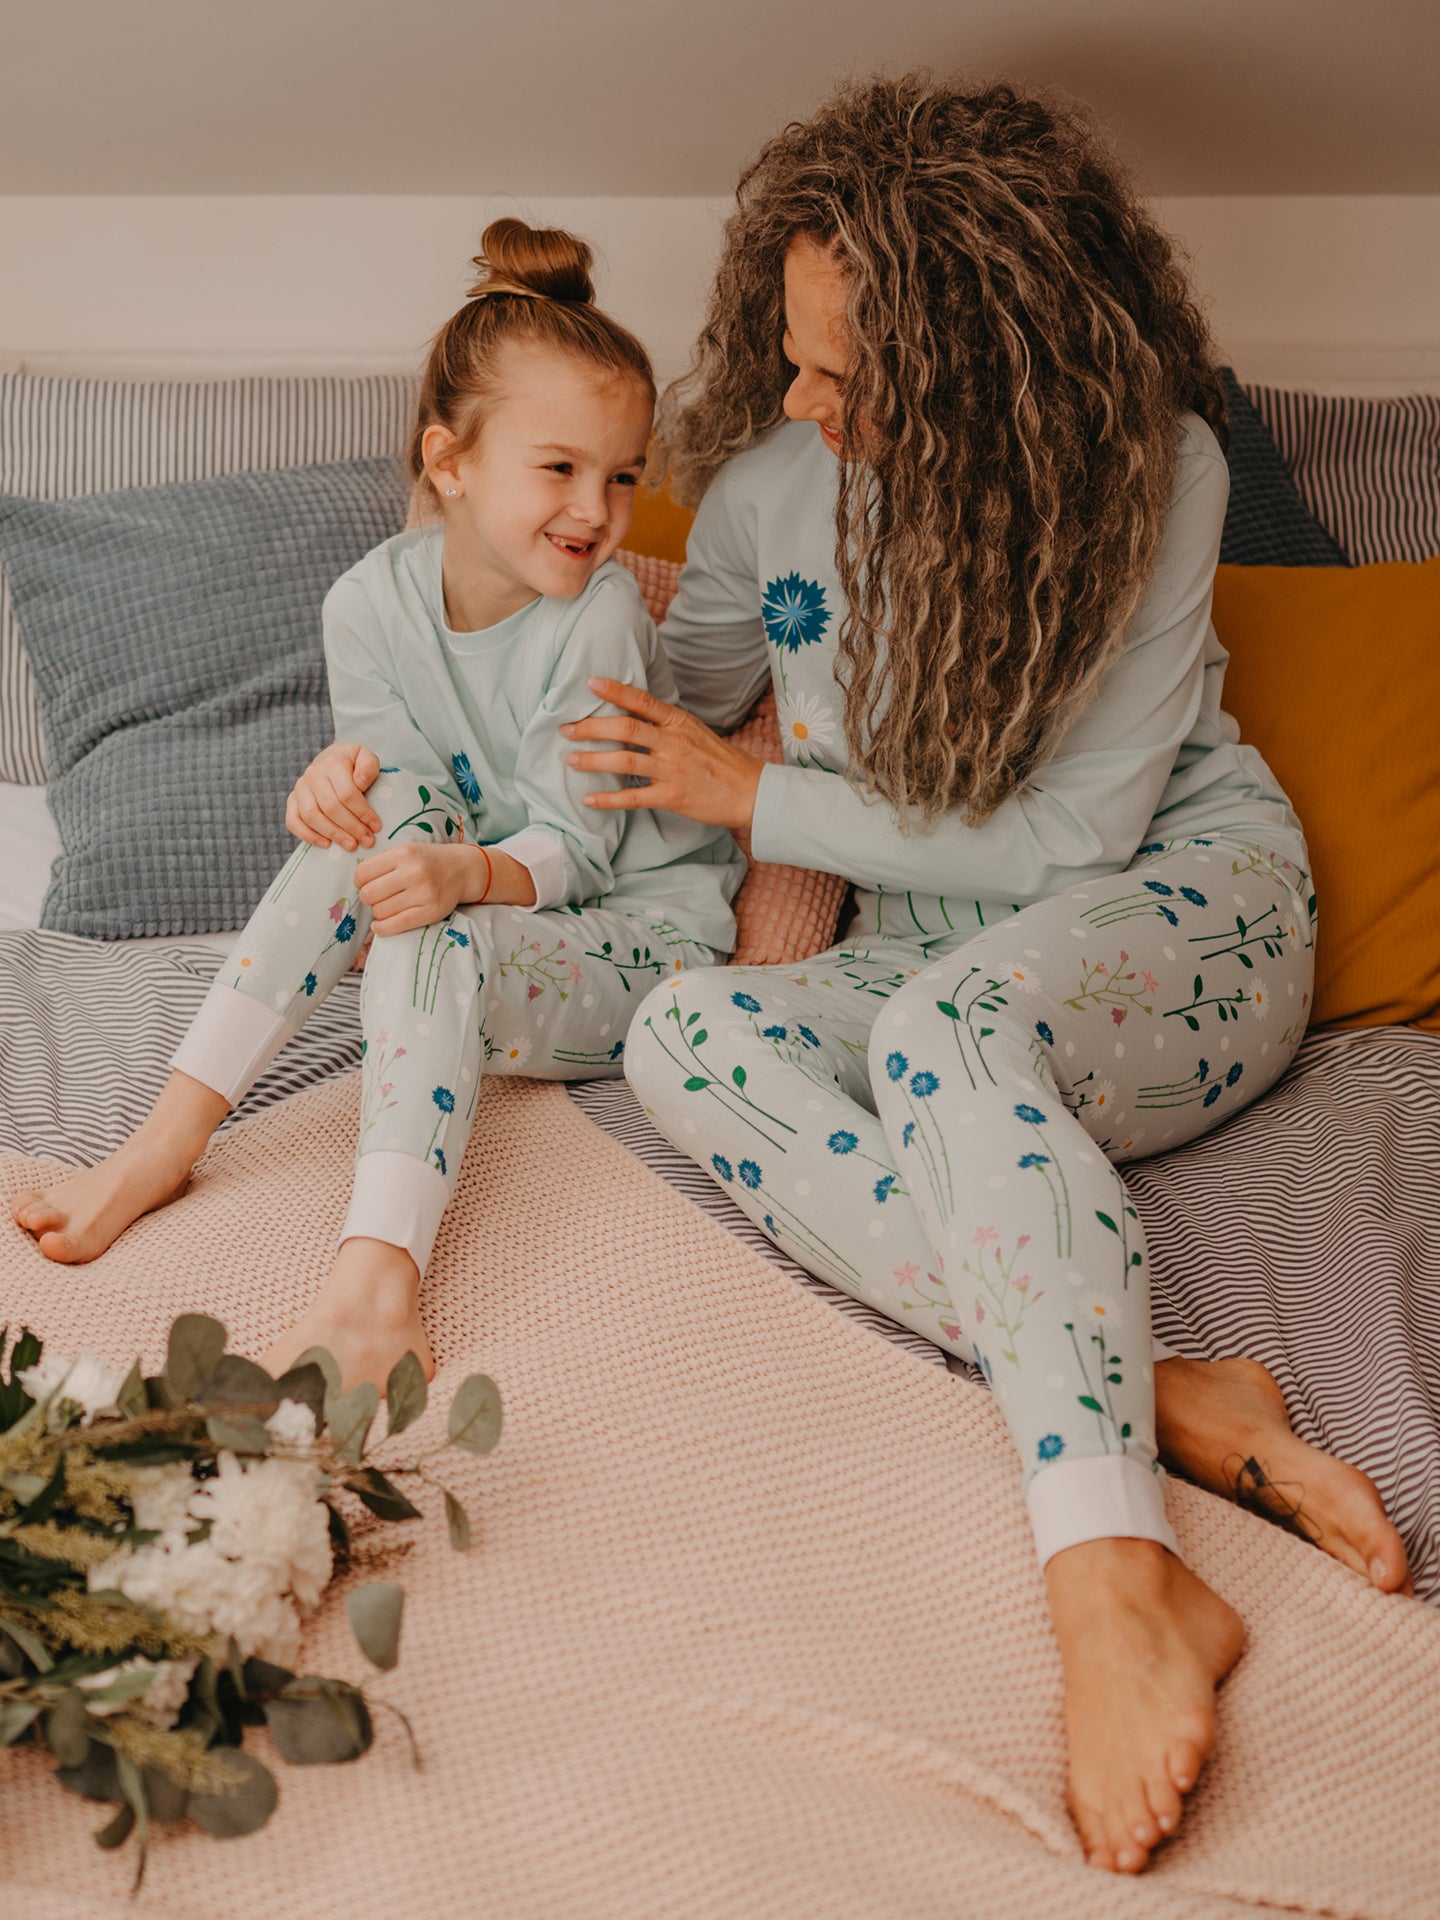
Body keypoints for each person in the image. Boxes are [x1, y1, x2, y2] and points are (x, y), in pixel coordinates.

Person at [557, 79, 1412, 1873]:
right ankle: (1163, 1387)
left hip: (1177, 916)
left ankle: (1114, 1575)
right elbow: (690, 686)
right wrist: (525, 587)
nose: (797, 406)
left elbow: (1070, 847)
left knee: (954, 1025)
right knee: (683, 1032)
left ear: (979, 367)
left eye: (843, 378)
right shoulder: (780, 492)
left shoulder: (1150, 473)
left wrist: (759, 790)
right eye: (787, 359)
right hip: (946, 964)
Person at [10, 219, 744, 1391]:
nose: (598, 510)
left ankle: (377, 1275)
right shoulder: (366, 602)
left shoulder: (601, 613)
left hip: (638, 944)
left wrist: (458, 874)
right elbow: (412, 800)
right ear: (450, 462)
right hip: (481, 914)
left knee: (431, 920)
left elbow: (581, 850)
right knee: (363, 838)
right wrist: (335, 788)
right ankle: (164, 1142)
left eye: (622, 476)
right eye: (560, 468)